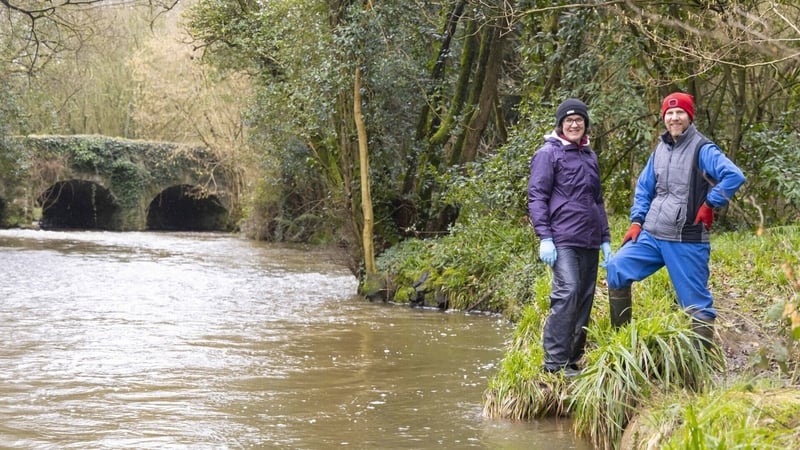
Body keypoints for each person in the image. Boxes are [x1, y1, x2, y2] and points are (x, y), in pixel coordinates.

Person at [605, 92, 746, 347]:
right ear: (664, 117)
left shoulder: (703, 149)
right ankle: (621, 345)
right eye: (669, 113)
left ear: (689, 116)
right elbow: (644, 187)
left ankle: (700, 368)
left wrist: (710, 203)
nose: (674, 117)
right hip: (652, 234)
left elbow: (734, 176)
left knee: (696, 306)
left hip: (686, 237)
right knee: (616, 268)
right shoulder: (660, 148)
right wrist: (637, 221)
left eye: (679, 112)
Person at [528, 98, 613, 377]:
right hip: (562, 238)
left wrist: (605, 238)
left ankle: (572, 361)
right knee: (567, 293)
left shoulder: (590, 156)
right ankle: (554, 364)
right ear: (561, 125)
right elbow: (537, 197)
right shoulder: (548, 154)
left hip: (589, 238)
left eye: (579, 120)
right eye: (569, 120)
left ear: (586, 124)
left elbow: (597, 200)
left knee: (585, 297)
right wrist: (544, 237)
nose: (574, 124)